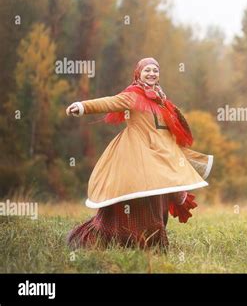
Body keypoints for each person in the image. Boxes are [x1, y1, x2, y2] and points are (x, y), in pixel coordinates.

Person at [65, 57, 213, 250]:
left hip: (159, 156)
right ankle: (124, 239)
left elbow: (166, 131)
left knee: (158, 195)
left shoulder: (162, 100)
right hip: (137, 154)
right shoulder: (133, 95)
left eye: (155, 70)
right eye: (147, 70)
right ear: (138, 74)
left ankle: (152, 242)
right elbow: (110, 102)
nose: (152, 74)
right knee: (137, 197)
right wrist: (83, 106)